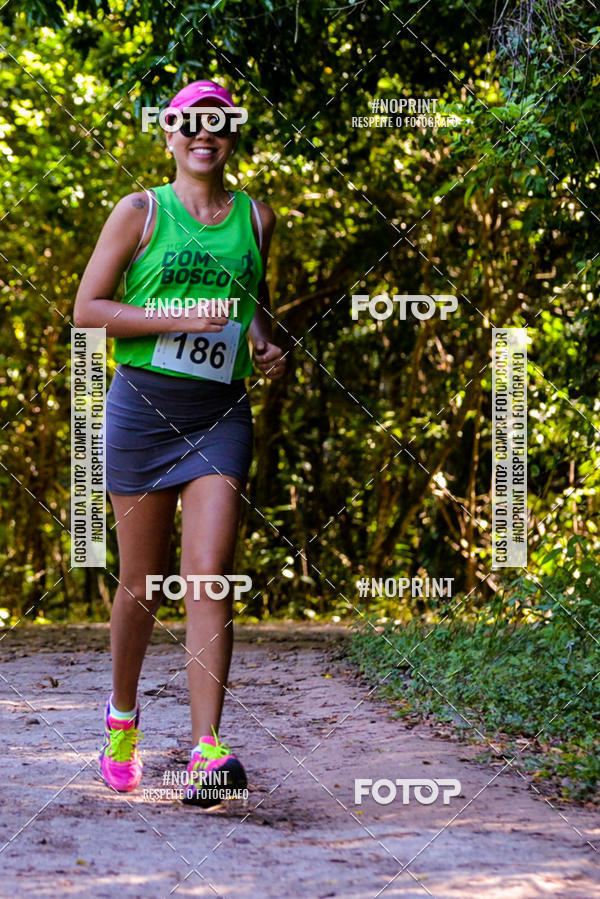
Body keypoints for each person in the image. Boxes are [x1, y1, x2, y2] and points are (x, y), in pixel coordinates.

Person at [73, 79, 285, 806]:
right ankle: (123, 720)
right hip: (142, 411)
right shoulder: (140, 212)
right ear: (168, 135)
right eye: (190, 123)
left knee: (209, 573)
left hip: (220, 415)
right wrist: (175, 316)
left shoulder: (256, 216)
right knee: (139, 583)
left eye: (219, 123)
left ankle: (206, 749)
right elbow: (87, 311)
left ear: (231, 136)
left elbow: (250, 297)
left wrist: (262, 340)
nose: (206, 133)